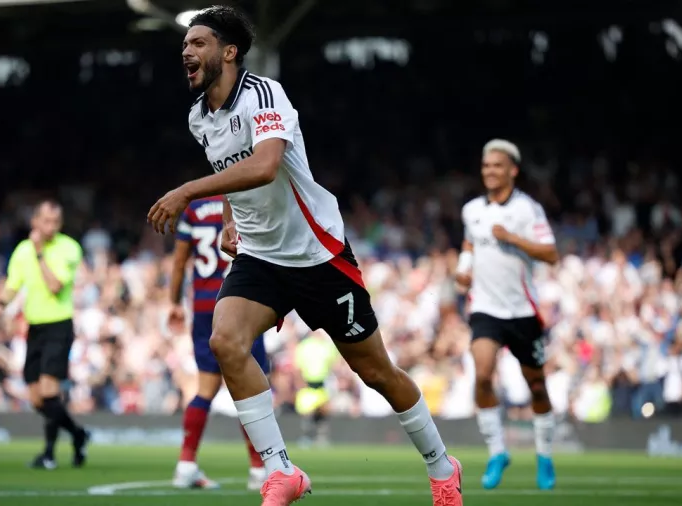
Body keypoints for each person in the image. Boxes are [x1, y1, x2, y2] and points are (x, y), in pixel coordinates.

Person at [148, 6, 463, 506]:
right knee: (226, 341)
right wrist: (230, 217)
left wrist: (189, 190)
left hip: (318, 254)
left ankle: (443, 470)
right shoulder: (198, 118)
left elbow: (266, 164)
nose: (186, 50)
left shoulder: (265, 94)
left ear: (229, 52)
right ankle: (281, 471)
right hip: (261, 258)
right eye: (185, 44)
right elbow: (233, 169)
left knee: (376, 372)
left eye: (199, 42)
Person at [454, 139, 559, 490]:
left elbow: (550, 253)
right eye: (486, 166)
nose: (490, 172)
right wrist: (463, 268)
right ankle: (497, 452)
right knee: (482, 375)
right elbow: (470, 243)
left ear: (512, 170)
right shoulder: (472, 210)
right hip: (485, 308)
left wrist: (513, 238)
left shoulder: (527, 210)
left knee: (537, 386)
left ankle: (544, 456)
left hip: (522, 311)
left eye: (497, 166)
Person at [170, 195, 269, 490]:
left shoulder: (195, 209)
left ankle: (186, 465)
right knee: (251, 387)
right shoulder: (246, 199)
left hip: (203, 306)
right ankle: (258, 470)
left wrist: (174, 303)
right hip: (240, 302)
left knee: (205, 389)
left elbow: (179, 263)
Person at [0, 200, 89, 470]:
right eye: (46, 220)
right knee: (37, 399)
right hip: (34, 328)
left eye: (55, 221)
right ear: (35, 221)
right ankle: (78, 434)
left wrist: (39, 254)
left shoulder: (69, 248)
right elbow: (12, 286)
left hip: (59, 325)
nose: (51, 227)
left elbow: (55, 285)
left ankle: (48, 454)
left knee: (49, 392)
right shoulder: (22, 250)